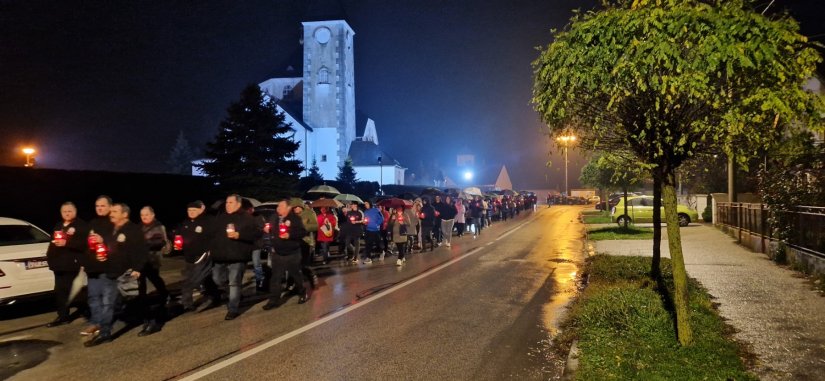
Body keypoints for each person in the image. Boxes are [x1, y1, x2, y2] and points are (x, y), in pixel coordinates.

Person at [84, 203, 147, 347]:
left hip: (128, 273)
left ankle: (152, 321)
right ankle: (105, 334)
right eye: (111, 211)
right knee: (108, 304)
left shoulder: (133, 229)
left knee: (135, 301)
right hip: (110, 273)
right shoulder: (112, 229)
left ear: (124, 214)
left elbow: (142, 251)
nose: (111, 213)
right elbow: (109, 247)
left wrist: (137, 268)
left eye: (115, 211)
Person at [211, 194, 260, 320]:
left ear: (238, 204)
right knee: (217, 279)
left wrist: (240, 234)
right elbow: (213, 234)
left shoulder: (247, 218)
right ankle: (234, 295)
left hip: (238, 255)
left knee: (234, 282)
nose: (227, 205)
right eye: (227, 202)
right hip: (220, 255)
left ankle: (233, 308)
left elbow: (256, 233)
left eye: (231, 202)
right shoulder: (220, 217)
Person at [45, 202, 88, 327]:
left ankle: (87, 310)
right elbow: (52, 243)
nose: (67, 213)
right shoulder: (59, 225)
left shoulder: (81, 225)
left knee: (75, 291)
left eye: (69, 211)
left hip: (73, 263)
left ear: (75, 211)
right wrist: (50, 259)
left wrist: (67, 243)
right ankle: (63, 316)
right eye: (64, 211)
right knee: (60, 291)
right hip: (58, 264)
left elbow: (84, 244)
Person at [262, 199, 309, 310]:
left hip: (292, 253)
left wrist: (289, 235)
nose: (278, 208)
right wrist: (267, 230)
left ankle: (302, 293)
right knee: (275, 278)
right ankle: (273, 300)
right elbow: (271, 230)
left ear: (288, 208)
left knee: (296, 275)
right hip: (277, 253)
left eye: (281, 206)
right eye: (278, 206)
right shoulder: (274, 217)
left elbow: (303, 232)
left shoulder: (295, 218)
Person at [176, 200, 221, 313]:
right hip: (189, 257)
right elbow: (179, 236)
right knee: (206, 280)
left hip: (202, 255)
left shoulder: (207, 221)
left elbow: (214, 237)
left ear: (200, 210)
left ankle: (187, 303)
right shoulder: (186, 223)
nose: (191, 212)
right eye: (189, 210)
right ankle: (215, 296)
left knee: (190, 281)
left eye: (193, 210)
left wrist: (211, 250)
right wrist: (178, 244)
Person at [80, 195, 115, 337]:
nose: (99, 208)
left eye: (103, 206)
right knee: (93, 296)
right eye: (97, 206)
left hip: (107, 266)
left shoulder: (114, 223)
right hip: (92, 267)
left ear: (110, 207)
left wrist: (104, 240)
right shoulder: (92, 223)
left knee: (106, 298)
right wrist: (84, 262)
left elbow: (120, 243)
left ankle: (106, 327)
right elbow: (86, 244)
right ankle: (96, 323)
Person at [137, 206, 170, 336]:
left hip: (152, 259)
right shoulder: (138, 227)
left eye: (146, 214)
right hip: (141, 260)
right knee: (143, 282)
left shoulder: (158, 226)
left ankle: (163, 294)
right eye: (142, 215)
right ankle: (146, 300)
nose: (144, 217)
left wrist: (143, 244)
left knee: (154, 278)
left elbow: (159, 241)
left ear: (152, 215)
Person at [290, 198, 319, 289]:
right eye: (294, 208)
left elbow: (315, 226)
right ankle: (292, 284)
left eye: (297, 207)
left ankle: (311, 275)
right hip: (294, 241)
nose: (295, 209)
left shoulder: (309, 213)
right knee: (293, 264)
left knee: (303, 264)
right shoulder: (292, 215)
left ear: (301, 206)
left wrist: (303, 227)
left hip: (306, 241)